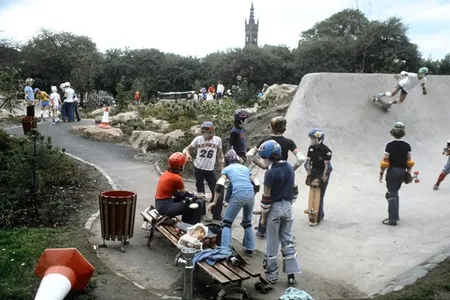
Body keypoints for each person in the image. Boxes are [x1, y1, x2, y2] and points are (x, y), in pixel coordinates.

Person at [247, 116, 305, 238]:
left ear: (272, 127)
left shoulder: (265, 140)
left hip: (271, 172)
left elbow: (250, 154)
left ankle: (262, 230)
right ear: (284, 127)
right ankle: (284, 229)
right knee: (285, 199)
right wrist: (291, 170)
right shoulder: (289, 142)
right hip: (286, 173)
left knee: (268, 199)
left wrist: (262, 165)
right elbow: (301, 159)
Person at [257, 140, 301, 285]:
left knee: (272, 242)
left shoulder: (270, 173)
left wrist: (263, 217)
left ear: (269, 157)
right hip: (288, 207)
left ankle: (272, 276)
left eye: (264, 157)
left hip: (274, 209)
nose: (264, 160)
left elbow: (266, 198)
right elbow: (295, 189)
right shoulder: (289, 167)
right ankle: (292, 274)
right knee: (288, 241)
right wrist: (289, 202)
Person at [208, 149, 258, 255]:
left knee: (227, 223)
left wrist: (214, 202)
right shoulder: (245, 168)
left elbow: (219, 186)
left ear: (227, 160)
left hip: (238, 195)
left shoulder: (227, 169)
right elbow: (256, 184)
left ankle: (225, 249)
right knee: (247, 222)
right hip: (250, 194)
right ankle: (250, 248)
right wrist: (252, 195)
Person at [183, 121, 224, 221]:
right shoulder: (198, 139)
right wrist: (188, 155)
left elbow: (220, 155)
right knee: (200, 191)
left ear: (211, 132)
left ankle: (216, 214)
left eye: (206, 132)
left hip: (210, 169)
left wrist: (222, 169)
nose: (204, 134)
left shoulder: (217, 140)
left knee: (218, 190)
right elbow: (186, 149)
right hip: (199, 168)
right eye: (203, 131)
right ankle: (202, 214)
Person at [379, 122, 414, 226]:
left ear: (393, 132)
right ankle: (394, 214)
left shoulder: (389, 145)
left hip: (392, 171)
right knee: (394, 192)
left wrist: (381, 173)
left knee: (392, 193)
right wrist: (408, 173)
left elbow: (385, 161)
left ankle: (392, 219)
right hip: (402, 171)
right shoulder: (407, 146)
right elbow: (409, 161)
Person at [155, 152, 203, 225]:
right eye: (183, 164)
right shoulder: (177, 178)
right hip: (166, 207)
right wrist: (195, 196)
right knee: (197, 203)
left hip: (159, 204)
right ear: (180, 166)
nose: (184, 165)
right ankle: (189, 226)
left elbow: (177, 193)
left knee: (187, 200)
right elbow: (184, 193)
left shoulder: (167, 173)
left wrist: (189, 196)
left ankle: (186, 224)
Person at [304, 128, 333, 226]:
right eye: (311, 138)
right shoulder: (311, 148)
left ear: (319, 139)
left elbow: (327, 167)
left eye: (313, 138)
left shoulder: (326, 151)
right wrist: (309, 176)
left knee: (320, 194)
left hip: (323, 171)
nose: (311, 140)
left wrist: (321, 180)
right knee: (312, 193)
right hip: (315, 170)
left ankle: (318, 217)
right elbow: (307, 163)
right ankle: (315, 211)